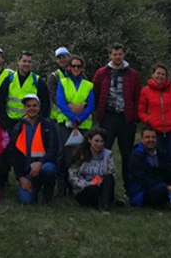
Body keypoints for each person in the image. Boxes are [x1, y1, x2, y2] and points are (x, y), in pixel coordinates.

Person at [92, 43, 140, 196]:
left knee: (127, 154)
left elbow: (137, 95)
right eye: (115, 54)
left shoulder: (132, 74)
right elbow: (96, 93)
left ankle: (129, 188)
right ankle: (99, 185)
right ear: (110, 55)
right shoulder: (101, 73)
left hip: (126, 118)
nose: (117, 57)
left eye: (120, 54)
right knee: (103, 151)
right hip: (108, 116)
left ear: (124, 55)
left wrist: (134, 116)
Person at [54, 54, 95, 195]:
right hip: (65, 123)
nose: (76, 68)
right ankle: (61, 184)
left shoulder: (88, 85)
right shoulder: (63, 82)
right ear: (69, 68)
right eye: (74, 66)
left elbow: (90, 105)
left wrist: (80, 119)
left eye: (79, 66)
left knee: (80, 155)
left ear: (83, 68)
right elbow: (60, 102)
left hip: (82, 125)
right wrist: (73, 117)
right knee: (63, 154)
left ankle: (75, 185)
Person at [128, 127, 171, 209]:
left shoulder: (161, 153)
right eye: (147, 137)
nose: (151, 140)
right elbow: (143, 180)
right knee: (159, 191)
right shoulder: (136, 156)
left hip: (163, 186)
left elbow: (168, 172)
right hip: (144, 190)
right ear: (141, 139)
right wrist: (165, 187)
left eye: (153, 137)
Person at [9, 94, 58, 205]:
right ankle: (32, 188)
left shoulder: (48, 125)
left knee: (49, 169)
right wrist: (21, 178)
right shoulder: (18, 128)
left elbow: (53, 149)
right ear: (24, 108)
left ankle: (47, 194)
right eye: (28, 106)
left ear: (39, 107)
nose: (32, 108)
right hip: (27, 172)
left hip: (43, 166)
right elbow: (14, 155)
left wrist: (40, 163)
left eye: (35, 105)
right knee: (26, 201)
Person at [138, 63, 171, 179]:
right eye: (158, 73)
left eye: (163, 74)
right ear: (153, 74)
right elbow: (141, 110)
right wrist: (148, 120)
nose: (160, 76)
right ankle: (160, 185)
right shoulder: (145, 91)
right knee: (157, 158)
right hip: (155, 130)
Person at [0, 51, 51, 126]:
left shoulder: (37, 81)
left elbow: (45, 103)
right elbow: (0, 101)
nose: (27, 64)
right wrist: (5, 120)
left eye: (29, 62)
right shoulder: (9, 79)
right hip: (11, 123)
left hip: (31, 123)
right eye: (24, 61)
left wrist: (39, 120)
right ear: (18, 62)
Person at [67, 127, 116, 212]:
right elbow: (72, 176)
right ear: (89, 140)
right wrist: (89, 183)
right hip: (84, 188)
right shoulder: (80, 154)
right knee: (92, 190)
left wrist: (100, 182)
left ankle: (105, 205)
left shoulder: (108, 155)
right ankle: (101, 203)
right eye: (96, 141)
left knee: (109, 178)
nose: (99, 144)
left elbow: (111, 173)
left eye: (102, 141)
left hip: (101, 186)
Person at [46, 46, 71, 121]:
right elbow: (54, 97)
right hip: (59, 118)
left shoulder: (78, 74)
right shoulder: (53, 77)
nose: (62, 59)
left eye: (64, 57)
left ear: (69, 57)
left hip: (77, 116)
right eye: (59, 58)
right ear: (56, 60)